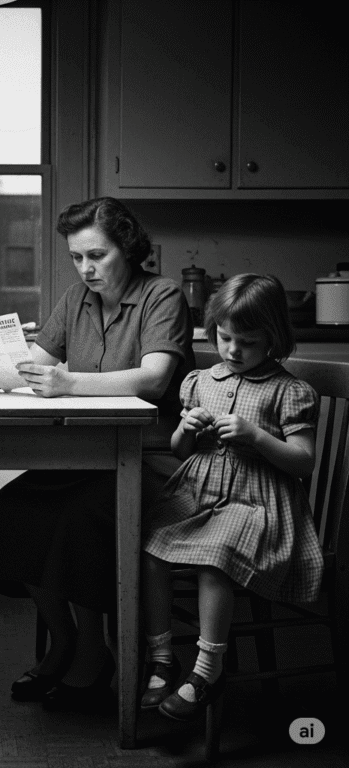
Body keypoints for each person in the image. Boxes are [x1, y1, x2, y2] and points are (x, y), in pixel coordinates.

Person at [0, 196, 195, 711]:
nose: (86, 268)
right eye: (76, 257)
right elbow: (32, 365)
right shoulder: (76, 300)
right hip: (91, 456)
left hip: (153, 461)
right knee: (16, 506)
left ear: (127, 248)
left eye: (97, 255)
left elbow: (155, 379)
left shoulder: (162, 295)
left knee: (77, 518)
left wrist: (68, 383)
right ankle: (64, 639)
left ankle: (93, 651)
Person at [140, 274, 323, 721]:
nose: (233, 350)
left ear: (273, 338)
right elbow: (181, 451)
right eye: (225, 338)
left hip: (258, 502)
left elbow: (303, 461)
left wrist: (257, 436)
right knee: (151, 550)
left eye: (247, 342)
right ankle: (162, 658)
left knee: (214, 557)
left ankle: (208, 671)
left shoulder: (289, 390)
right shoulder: (199, 381)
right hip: (199, 494)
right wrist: (186, 429)